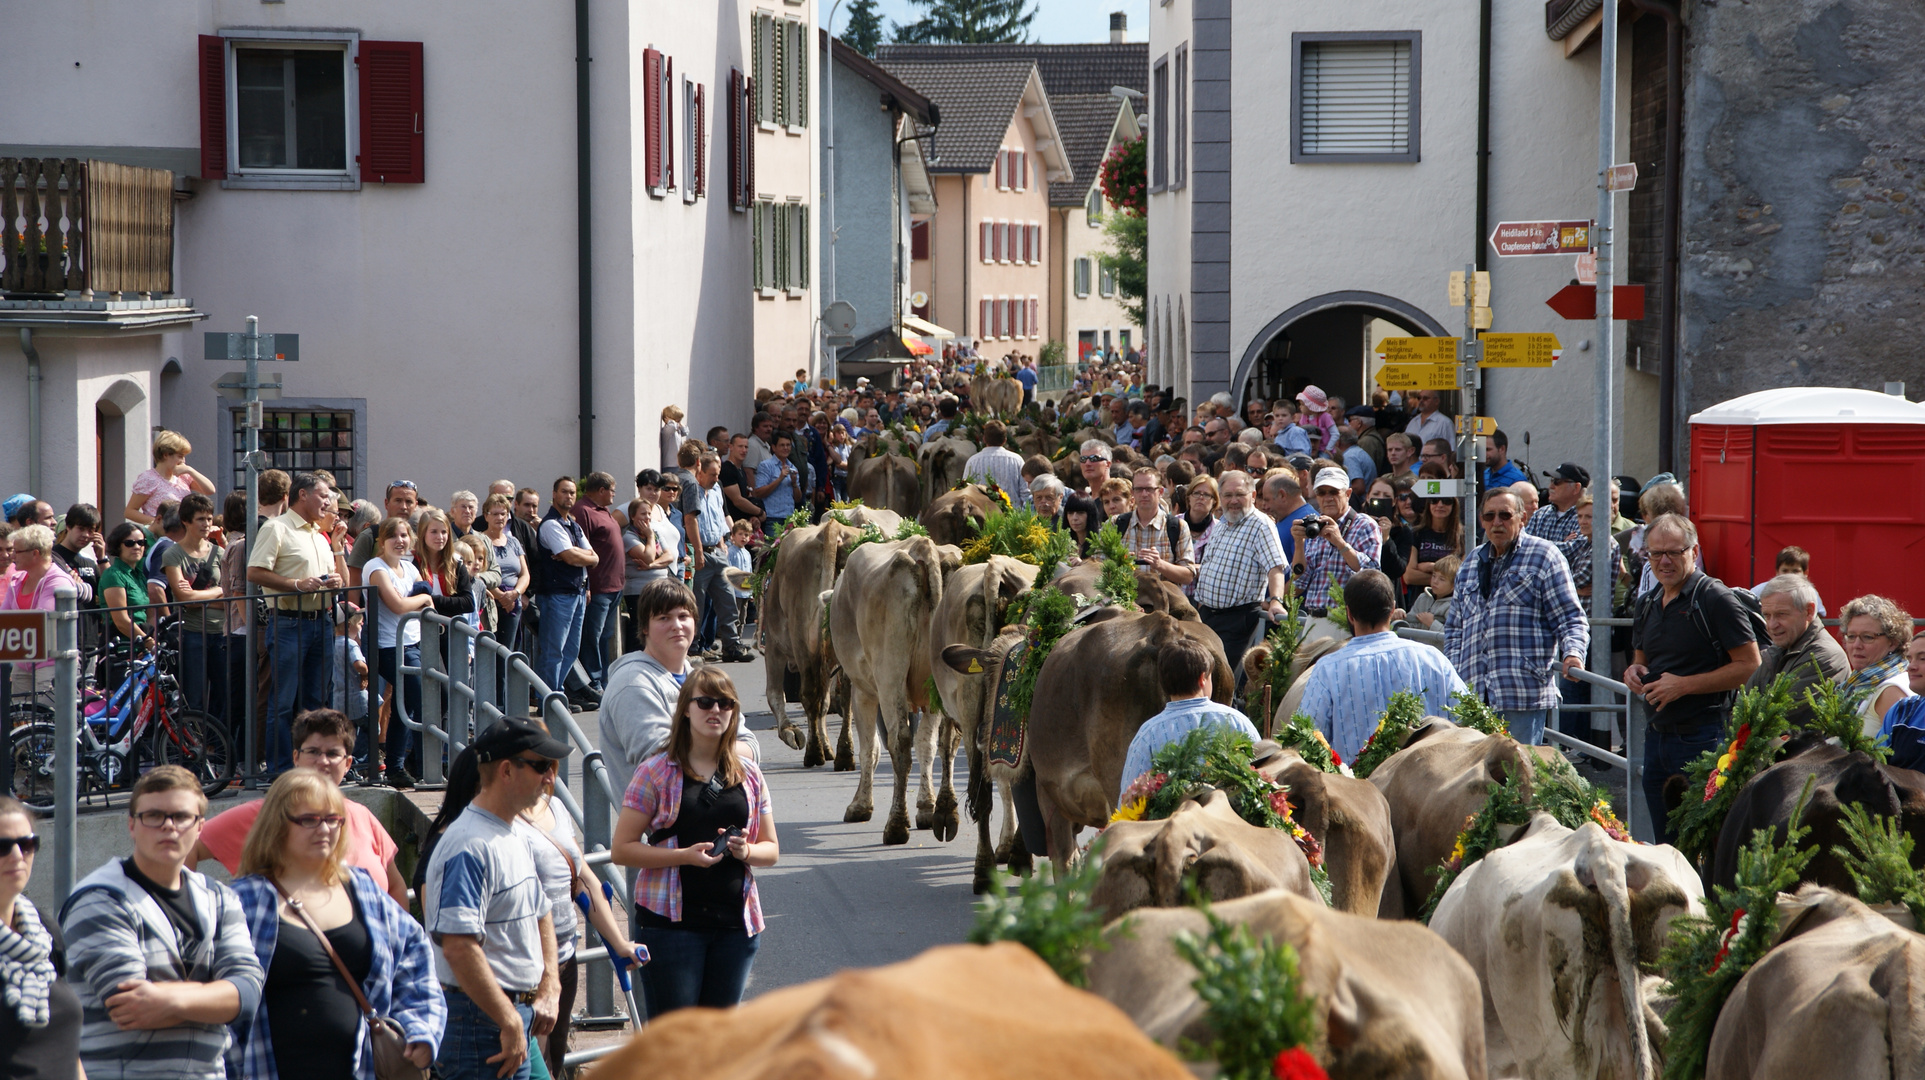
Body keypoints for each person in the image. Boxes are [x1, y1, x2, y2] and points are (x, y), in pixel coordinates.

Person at [227, 770, 444, 1080]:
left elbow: (416, 958)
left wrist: (421, 1028)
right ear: (276, 825)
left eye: (333, 819)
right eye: (309, 820)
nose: (325, 829)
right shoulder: (243, 900)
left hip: (363, 1069)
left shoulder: (362, 889)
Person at [59, 766, 265, 1080]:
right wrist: (220, 997)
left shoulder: (221, 898)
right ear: (131, 824)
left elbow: (249, 995)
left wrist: (168, 999)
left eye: (182, 817)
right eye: (153, 816)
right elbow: (130, 1007)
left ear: (200, 828)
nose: (168, 827)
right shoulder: (98, 899)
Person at [611, 668, 779, 1015]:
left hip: (735, 928)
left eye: (725, 703)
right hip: (672, 930)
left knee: (715, 1048)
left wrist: (746, 850)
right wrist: (684, 856)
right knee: (675, 1050)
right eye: (704, 702)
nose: (715, 710)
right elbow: (622, 848)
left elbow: (771, 849)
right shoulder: (655, 771)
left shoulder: (749, 774)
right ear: (685, 709)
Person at [422, 717, 567, 1080]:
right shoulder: (469, 846)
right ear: (506, 770)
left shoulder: (511, 829)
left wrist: (550, 983)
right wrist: (507, 1018)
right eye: (540, 766)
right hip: (481, 1021)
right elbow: (458, 946)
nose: (551, 777)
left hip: (510, 1015)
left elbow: (541, 909)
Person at [1624, 513, 1761, 844]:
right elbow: (1640, 660)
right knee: (1665, 844)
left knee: (1703, 843)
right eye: (1656, 553)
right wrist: (1633, 672)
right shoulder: (1647, 603)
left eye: (1674, 552)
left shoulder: (1715, 598)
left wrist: (1683, 685)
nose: (1664, 561)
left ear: (1694, 550)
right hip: (1656, 736)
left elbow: (1749, 664)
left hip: (1703, 737)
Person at [193, 709, 412, 905]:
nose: (323, 761)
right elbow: (190, 847)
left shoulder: (363, 816)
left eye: (333, 754)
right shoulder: (263, 813)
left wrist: (397, 945)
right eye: (314, 752)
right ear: (296, 758)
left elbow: (395, 887)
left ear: (347, 764)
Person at [516, 770, 643, 1074]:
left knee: (555, 1056)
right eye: (537, 763)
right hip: (529, 966)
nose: (548, 772)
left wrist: (620, 943)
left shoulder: (556, 807)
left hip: (564, 958)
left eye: (551, 763)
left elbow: (584, 878)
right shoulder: (506, 821)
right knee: (536, 1065)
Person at [1444, 488, 1590, 746]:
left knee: (1516, 782)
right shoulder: (1470, 563)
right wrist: (1456, 675)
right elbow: (1455, 628)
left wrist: (1573, 654)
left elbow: (1570, 618)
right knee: (1474, 783)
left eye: (1505, 515)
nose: (1496, 522)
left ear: (1522, 519)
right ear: (1481, 521)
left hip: (1520, 694)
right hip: (1472, 697)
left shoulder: (1545, 556)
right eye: (1489, 516)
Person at [602, 579, 759, 788]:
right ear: (645, 628)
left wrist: (702, 749)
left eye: (683, 616)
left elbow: (752, 748)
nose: (676, 626)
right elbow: (662, 758)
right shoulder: (632, 683)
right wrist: (723, 747)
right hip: (663, 816)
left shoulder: (699, 679)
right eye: (664, 618)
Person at [1298, 571, 1467, 761]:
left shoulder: (1327, 669)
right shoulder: (1434, 659)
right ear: (1392, 609)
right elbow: (1467, 720)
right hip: (1428, 784)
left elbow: (1307, 739)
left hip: (1355, 787)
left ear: (1349, 614)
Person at [248, 472, 348, 775]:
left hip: (322, 623)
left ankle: (314, 767)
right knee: (283, 703)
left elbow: (341, 581)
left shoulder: (319, 534)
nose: (329, 501)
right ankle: (279, 770)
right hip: (290, 623)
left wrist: (335, 580)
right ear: (302, 495)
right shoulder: (277, 528)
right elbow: (254, 571)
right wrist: (295, 584)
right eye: (323, 494)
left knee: (317, 704)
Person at [1, 793, 84, 1080]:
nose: (17, 856)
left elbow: (69, 1051)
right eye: (2, 847)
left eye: (27, 844)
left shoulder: (43, 931)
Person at [1192, 471, 1286, 674]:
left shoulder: (1261, 525)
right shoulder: (1222, 524)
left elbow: (1275, 566)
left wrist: (1276, 600)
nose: (1233, 500)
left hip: (1236, 620)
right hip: (1206, 615)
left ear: (1252, 496)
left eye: (1239, 494)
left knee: (1217, 677)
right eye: (1227, 495)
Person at [362, 517, 433, 788]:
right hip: (389, 646)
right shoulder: (375, 567)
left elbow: (423, 595)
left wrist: (422, 599)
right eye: (394, 536)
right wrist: (423, 599)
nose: (400, 541)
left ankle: (403, 764)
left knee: (411, 703)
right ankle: (407, 765)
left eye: (404, 535)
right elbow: (398, 605)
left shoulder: (410, 566)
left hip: (414, 643)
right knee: (417, 700)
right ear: (382, 541)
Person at [1745, 573, 1850, 726]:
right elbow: (1744, 706)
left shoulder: (1824, 656)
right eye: (1767, 616)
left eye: (1781, 614)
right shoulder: (1780, 648)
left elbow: (1774, 718)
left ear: (1808, 611)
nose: (1772, 625)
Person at [531, 477, 598, 700]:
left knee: (570, 650)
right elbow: (568, 557)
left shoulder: (574, 525)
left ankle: (557, 693)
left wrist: (578, 555)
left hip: (578, 593)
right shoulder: (551, 524)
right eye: (564, 492)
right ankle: (547, 699)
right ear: (554, 494)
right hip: (557, 595)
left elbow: (594, 557)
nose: (569, 496)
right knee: (554, 651)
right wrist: (576, 555)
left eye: (572, 493)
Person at [163, 494, 226, 726]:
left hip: (221, 633)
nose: (206, 524)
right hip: (192, 633)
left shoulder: (218, 552)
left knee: (223, 695)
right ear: (186, 521)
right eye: (200, 519)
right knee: (194, 697)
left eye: (209, 518)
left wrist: (197, 596)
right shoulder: (173, 554)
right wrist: (217, 592)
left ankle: (216, 748)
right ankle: (193, 748)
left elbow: (229, 594)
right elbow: (183, 598)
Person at [1288, 468, 1382, 618]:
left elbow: (1372, 574)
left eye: (1333, 492)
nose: (1328, 498)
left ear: (1348, 494)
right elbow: (1299, 584)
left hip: (1347, 619)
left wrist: (1339, 542)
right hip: (1314, 618)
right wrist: (1299, 544)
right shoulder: (1315, 525)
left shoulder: (1365, 525)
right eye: (1321, 492)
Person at [3, 525, 77, 700]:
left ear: (35, 553)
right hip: (22, 663)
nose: (12, 556)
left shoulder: (58, 581)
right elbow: (4, 618)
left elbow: (42, 621)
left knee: (48, 722)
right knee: (21, 721)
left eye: (17, 551)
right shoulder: (18, 580)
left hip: (50, 664)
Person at [689, 454, 750, 663]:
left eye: (718, 474)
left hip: (718, 550)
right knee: (697, 602)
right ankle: (694, 647)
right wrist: (697, 550)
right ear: (700, 472)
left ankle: (732, 645)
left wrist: (727, 539)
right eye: (712, 474)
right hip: (701, 552)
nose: (716, 478)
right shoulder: (692, 490)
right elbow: (691, 521)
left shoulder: (716, 490)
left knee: (728, 600)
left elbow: (721, 516)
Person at [572, 472, 626, 700]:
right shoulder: (583, 511)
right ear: (601, 490)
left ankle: (603, 679)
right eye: (612, 490)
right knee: (591, 637)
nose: (614, 494)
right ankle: (592, 682)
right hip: (598, 587)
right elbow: (580, 549)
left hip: (614, 587)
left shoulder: (603, 510)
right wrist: (587, 586)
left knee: (605, 636)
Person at [1837, 594, 1914, 734]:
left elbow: (1898, 752)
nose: (1856, 645)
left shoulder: (1891, 690)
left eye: (1867, 637)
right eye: (1851, 636)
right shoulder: (1857, 681)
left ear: (1893, 642)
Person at [1116, 468, 1196, 588]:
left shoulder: (1177, 526)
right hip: (1124, 601)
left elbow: (1188, 576)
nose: (1144, 494)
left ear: (1160, 492)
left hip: (1164, 602)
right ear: (1132, 493)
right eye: (1139, 489)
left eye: (1149, 489)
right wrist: (1118, 562)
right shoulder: (1116, 523)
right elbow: (1098, 566)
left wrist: (1160, 564)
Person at [125, 431, 216, 528]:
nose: (183, 461)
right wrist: (159, 523)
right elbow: (130, 511)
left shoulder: (183, 476)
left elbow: (210, 490)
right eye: (180, 456)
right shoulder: (149, 478)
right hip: (160, 536)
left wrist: (190, 470)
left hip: (183, 533)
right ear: (166, 454)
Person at [345, 482, 421, 590]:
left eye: (409, 502)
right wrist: (355, 606)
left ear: (416, 505)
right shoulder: (370, 535)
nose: (403, 507)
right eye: (398, 500)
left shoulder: (419, 538)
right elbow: (355, 581)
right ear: (386, 503)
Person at [481, 493, 530, 657]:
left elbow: (524, 574)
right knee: (490, 653)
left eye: (503, 513)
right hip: (490, 602)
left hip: (512, 602)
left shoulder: (514, 542)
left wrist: (515, 594)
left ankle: (505, 684)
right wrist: (501, 597)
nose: (499, 517)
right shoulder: (480, 540)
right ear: (486, 516)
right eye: (495, 513)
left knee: (508, 653)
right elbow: (479, 572)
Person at [1874, 633, 1925, 771]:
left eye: (1922, 658)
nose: (1911, 667)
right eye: (1909, 659)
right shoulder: (1901, 710)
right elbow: (1876, 767)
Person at [1403, 490, 1463, 597]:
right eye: (1434, 500)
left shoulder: (1463, 536)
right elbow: (1409, 576)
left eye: (1446, 501)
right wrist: (1446, 577)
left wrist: (1430, 567)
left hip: (1452, 602)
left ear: (1454, 505)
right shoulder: (1416, 534)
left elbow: (1461, 576)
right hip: (1421, 600)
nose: (1440, 504)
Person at [750, 432, 812, 531]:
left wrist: (794, 484)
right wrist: (780, 479)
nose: (786, 448)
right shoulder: (766, 466)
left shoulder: (793, 467)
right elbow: (759, 492)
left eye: (788, 445)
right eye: (782, 445)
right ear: (774, 448)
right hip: (772, 519)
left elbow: (798, 499)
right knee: (772, 546)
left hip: (789, 519)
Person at [961, 421, 1029, 508]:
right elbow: (1026, 493)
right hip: (1013, 518)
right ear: (1005, 440)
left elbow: (965, 491)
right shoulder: (1016, 460)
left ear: (984, 439)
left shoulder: (973, 461)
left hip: (982, 516)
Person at [1750, 545, 1827, 618]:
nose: (1789, 575)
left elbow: (1818, 615)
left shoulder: (1810, 592)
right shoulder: (1760, 590)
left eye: (1795, 571)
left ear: (1805, 573)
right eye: (1785, 571)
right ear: (1777, 572)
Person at [331, 604, 370, 728]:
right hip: (356, 699)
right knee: (367, 731)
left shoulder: (330, 644)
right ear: (349, 625)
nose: (362, 626)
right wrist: (365, 674)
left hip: (337, 700)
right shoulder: (350, 644)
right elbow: (359, 665)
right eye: (359, 624)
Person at [1526, 463, 1587, 542]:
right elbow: (1525, 546)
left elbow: (1573, 549)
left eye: (1557, 481)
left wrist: (1538, 546)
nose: (1550, 486)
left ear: (1576, 488)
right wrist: (1562, 543)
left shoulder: (1585, 517)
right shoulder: (1540, 514)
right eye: (1551, 480)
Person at [717, 435, 765, 528]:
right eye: (740, 446)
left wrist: (753, 516)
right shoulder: (727, 470)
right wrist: (760, 512)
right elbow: (738, 500)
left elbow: (746, 496)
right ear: (731, 447)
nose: (744, 450)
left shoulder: (740, 469)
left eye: (746, 447)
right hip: (731, 525)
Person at [1403, 554, 1459, 629]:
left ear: (1453, 585)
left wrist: (1432, 623)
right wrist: (1402, 617)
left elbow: (1453, 635)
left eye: (1442, 579)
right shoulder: (1422, 597)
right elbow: (1410, 625)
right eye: (1434, 575)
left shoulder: (1454, 606)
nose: (1435, 581)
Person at [1061, 493, 1104, 560]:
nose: (1074, 518)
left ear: (1090, 515)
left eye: (1080, 513)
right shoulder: (1064, 542)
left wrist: (1083, 563)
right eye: (1070, 513)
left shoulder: (1101, 540)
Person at [659, 405, 689, 473]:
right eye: (677, 421)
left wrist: (681, 425)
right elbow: (672, 427)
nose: (679, 423)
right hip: (669, 464)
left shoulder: (677, 431)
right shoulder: (667, 430)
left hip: (677, 464)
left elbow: (685, 432)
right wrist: (671, 422)